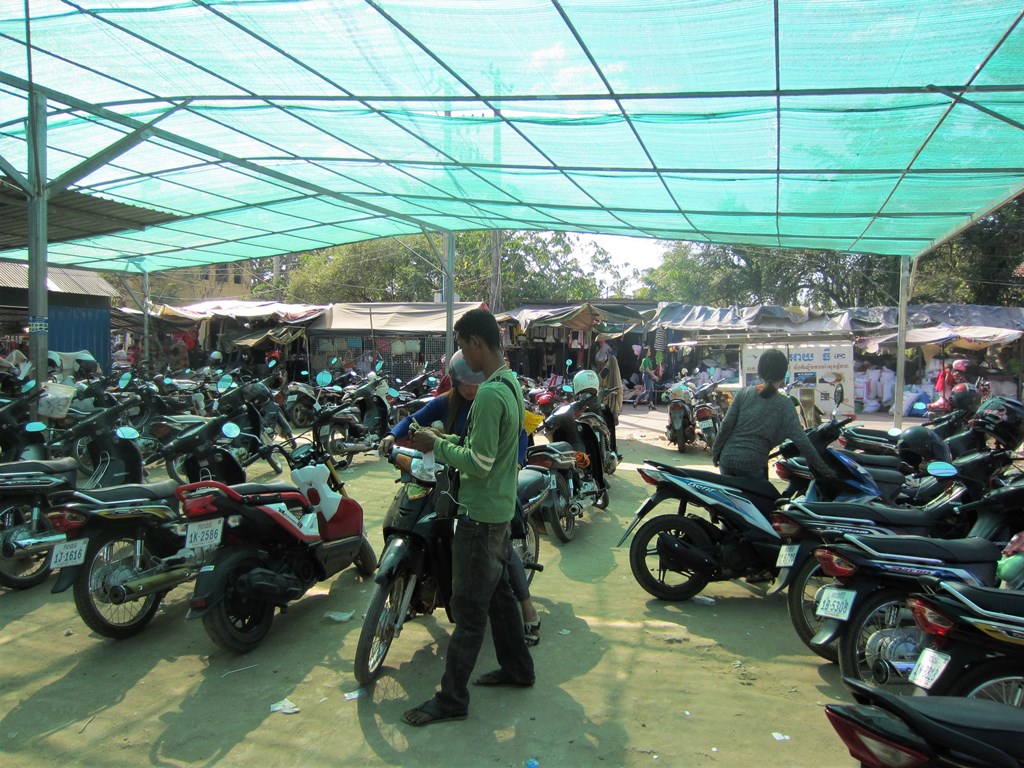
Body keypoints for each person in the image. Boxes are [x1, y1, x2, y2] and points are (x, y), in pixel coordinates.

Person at [404, 309, 534, 727]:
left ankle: (451, 698)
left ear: (477, 343)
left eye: (462, 345)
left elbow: (477, 462)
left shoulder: (492, 392)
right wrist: (444, 437)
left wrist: (436, 447)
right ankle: (519, 669)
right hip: (497, 509)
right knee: (497, 595)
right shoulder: (508, 383)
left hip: (480, 516)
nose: (462, 354)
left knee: (470, 609)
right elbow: (486, 443)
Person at [380, 349, 541, 647]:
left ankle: (528, 608)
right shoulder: (446, 402)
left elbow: (518, 433)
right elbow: (416, 419)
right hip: (452, 478)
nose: (470, 387)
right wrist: (392, 435)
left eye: (474, 381)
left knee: (501, 549)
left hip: (489, 486)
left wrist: (517, 463)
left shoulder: (491, 399)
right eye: (464, 382)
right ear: (454, 380)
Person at [712, 348, 835, 479]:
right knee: (762, 499)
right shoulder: (785, 404)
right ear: (783, 374)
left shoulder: (744, 393)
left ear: (759, 372)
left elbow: (726, 426)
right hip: (752, 465)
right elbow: (802, 442)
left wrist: (716, 453)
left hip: (727, 461)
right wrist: (826, 471)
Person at [634, 344, 659, 410]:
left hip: (648, 376)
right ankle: (637, 400)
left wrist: (651, 372)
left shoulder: (646, 360)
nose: (650, 352)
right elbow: (647, 369)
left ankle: (651, 404)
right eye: (649, 351)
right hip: (647, 376)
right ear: (646, 352)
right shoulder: (645, 359)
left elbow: (641, 369)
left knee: (650, 390)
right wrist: (654, 376)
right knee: (647, 391)